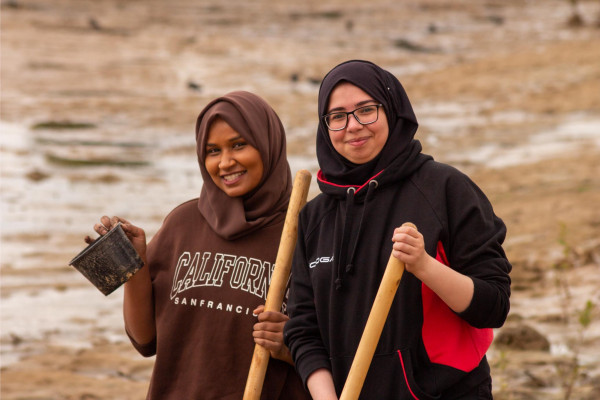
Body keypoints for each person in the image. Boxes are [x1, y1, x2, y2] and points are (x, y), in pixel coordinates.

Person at [283, 60, 512, 399]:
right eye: (338, 116)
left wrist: (424, 266)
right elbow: (303, 329)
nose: (353, 126)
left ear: (391, 109)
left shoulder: (445, 189)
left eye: (366, 110)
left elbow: (493, 306)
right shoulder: (315, 217)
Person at [87, 91, 310, 399]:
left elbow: (340, 351)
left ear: (268, 143)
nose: (225, 162)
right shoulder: (183, 223)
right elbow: (145, 341)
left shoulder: (307, 233)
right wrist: (134, 267)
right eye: (212, 151)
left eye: (239, 145)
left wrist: (290, 345)